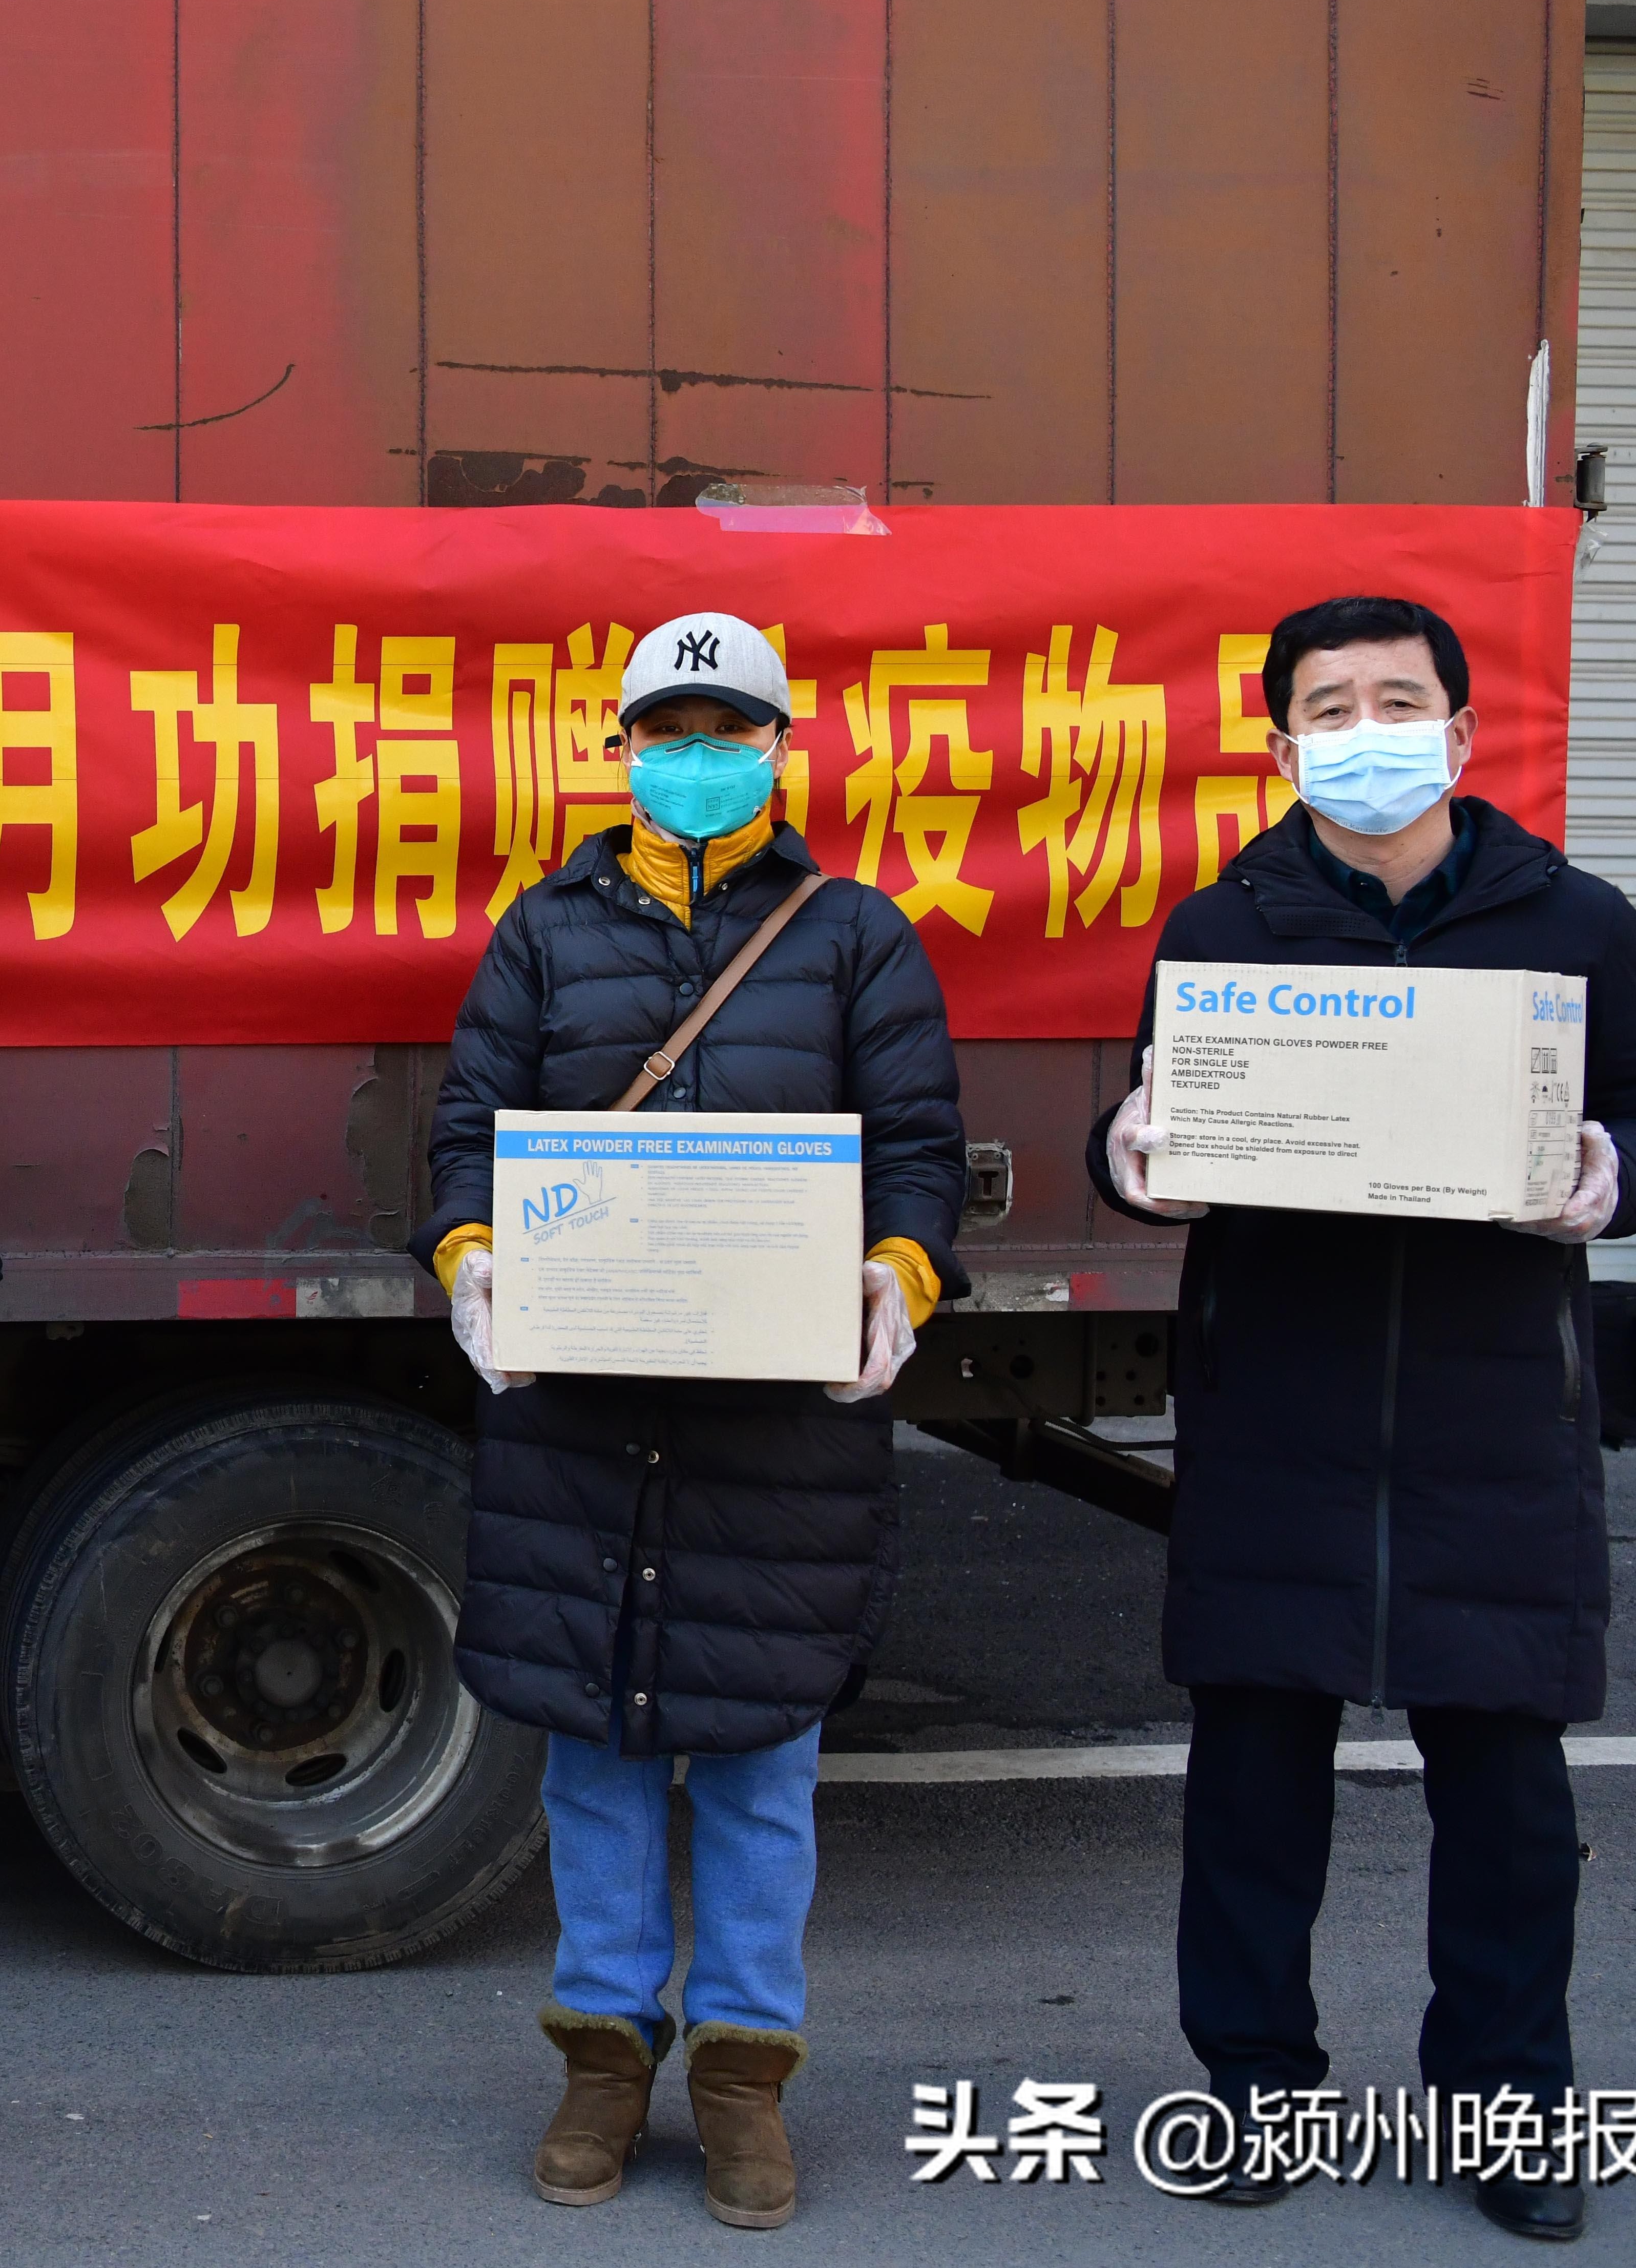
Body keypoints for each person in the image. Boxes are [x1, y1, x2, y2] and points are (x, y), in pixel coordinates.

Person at [1088, 596, 1636, 2242]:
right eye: (1331, 708)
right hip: (1277, 1412)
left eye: (1397, 700)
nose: (1368, 730)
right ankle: (1257, 2095)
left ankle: (1511, 2112)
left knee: (1507, 1802)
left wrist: (1609, 1180)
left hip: (1496, 1427)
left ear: (1462, 730)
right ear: (1283, 746)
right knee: (1250, 1796)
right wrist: (1128, 1157)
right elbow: (1150, 1124)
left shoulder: (1579, 922)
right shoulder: (1226, 929)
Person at [412, 611, 965, 2233]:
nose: (697, 755)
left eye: (731, 728)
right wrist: (472, 1261)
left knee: (756, 1761)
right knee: (591, 1754)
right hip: (582, 1411)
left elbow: (921, 1143)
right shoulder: (545, 929)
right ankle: (600, 2061)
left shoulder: (856, 935)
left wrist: (899, 1278)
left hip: (776, 1427)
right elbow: (467, 1127)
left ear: (782, 752)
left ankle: (741, 2076)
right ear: (625, 750)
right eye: (670, 728)